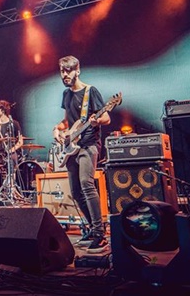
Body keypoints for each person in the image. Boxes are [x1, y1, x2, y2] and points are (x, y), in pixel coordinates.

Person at [52, 56, 111, 253]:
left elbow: (106, 117)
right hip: (72, 146)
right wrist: (58, 129)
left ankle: (100, 235)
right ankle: (93, 230)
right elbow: (66, 121)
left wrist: (96, 121)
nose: (65, 75)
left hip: (89, 144)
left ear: (78, 71)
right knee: (76, 192)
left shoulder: (90, 91)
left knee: (87, 184)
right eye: (62, 71)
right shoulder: (66, 94)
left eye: (68, 70)